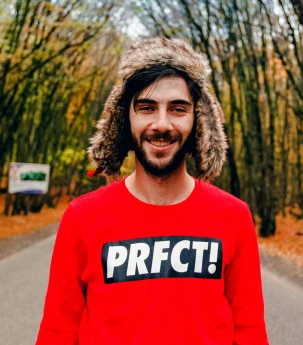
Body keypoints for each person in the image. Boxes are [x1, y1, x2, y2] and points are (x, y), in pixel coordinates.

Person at [34, 37, 269, 345]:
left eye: (178, 109)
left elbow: (249, 331)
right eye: (146, 108)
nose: (161, 124)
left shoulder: (233, 216)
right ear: (125, 119)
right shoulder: (83, 216)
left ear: (197, 120)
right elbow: (57, 331)